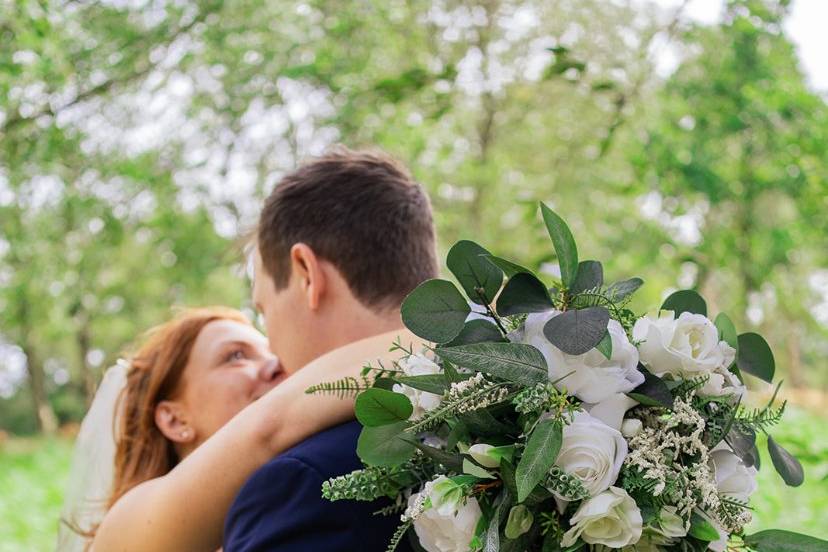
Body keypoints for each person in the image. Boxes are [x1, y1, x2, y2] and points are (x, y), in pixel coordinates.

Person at [60, 304, 424, 552]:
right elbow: (272, 424)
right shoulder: (131, 523)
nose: (274, 366)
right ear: (175, 419)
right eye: (235, 356)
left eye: (270, 352)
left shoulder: (296, 503)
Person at [223, 147, 438, 551]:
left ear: (306, 273)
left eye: (264, 309)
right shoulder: (563, 408)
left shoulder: (304, 486)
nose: (269, 349)